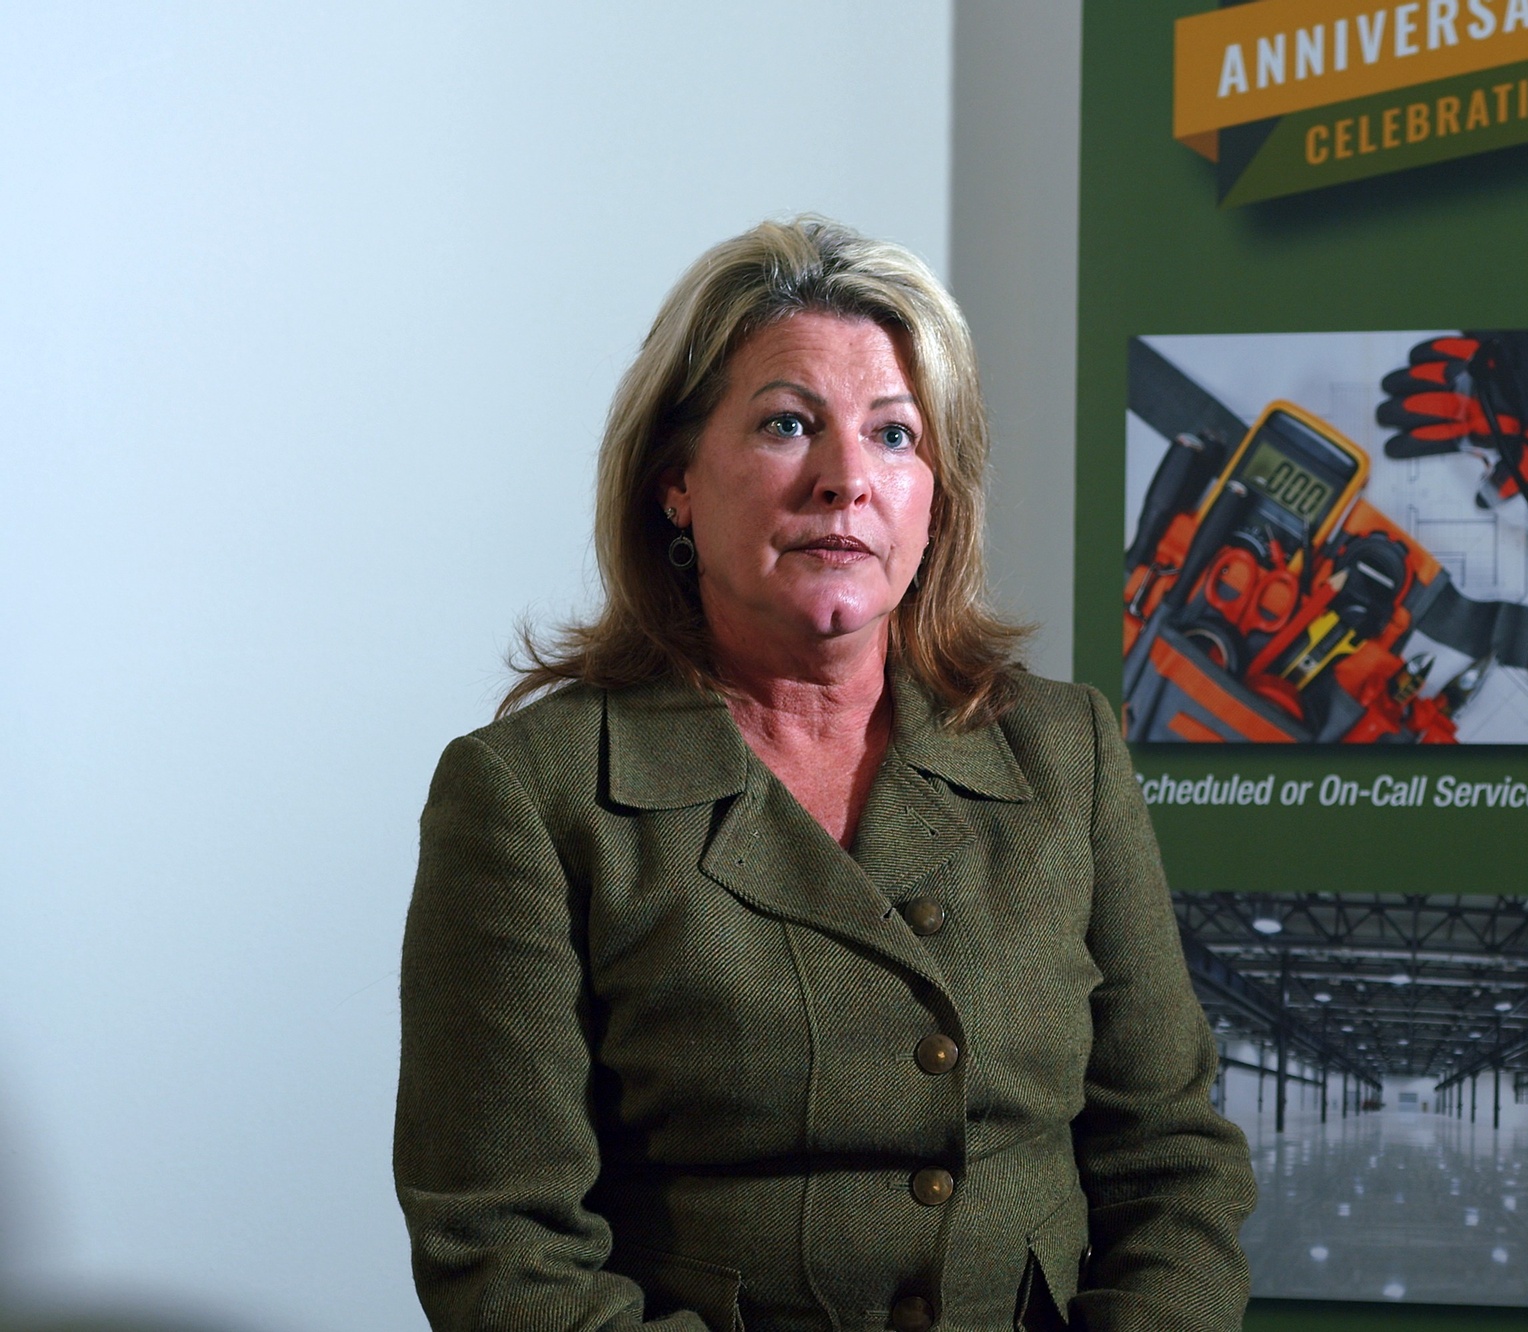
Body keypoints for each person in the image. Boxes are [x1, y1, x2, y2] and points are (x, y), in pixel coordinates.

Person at [393, 217, 1254, 1332]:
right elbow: (502, 1251)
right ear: (675, 481)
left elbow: (1173, 1165)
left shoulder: (1066, 752)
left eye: (895, 435)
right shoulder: (530, 796)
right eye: (787, 425)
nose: (846, 480)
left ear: (936, 496)